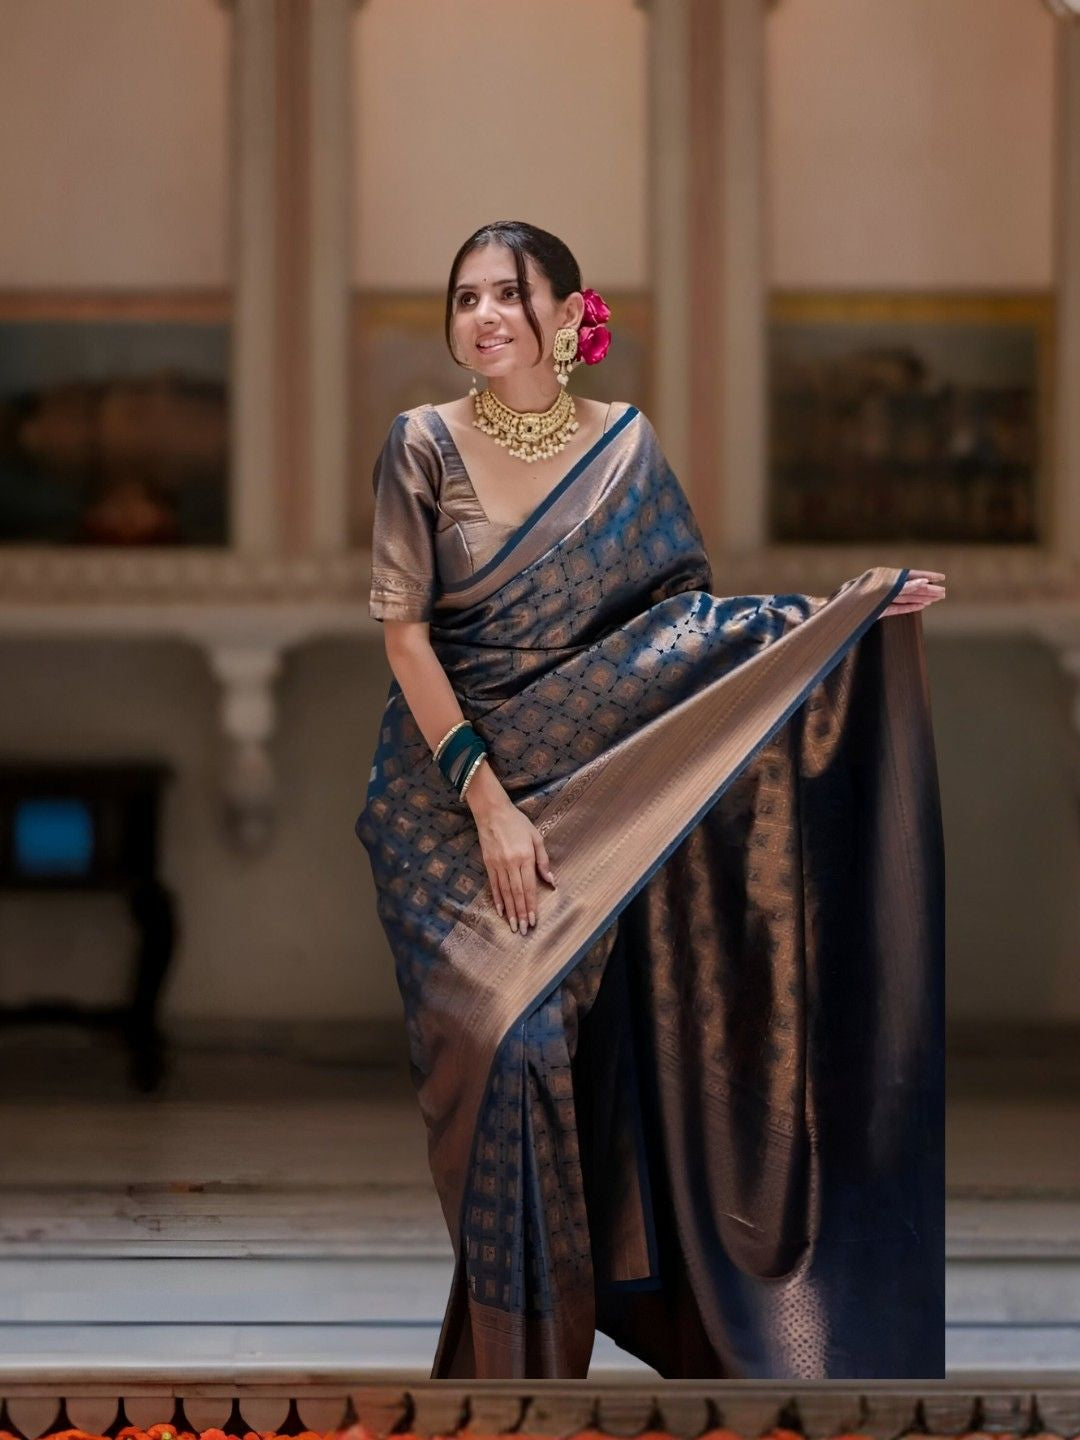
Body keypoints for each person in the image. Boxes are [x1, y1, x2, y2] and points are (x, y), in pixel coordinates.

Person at [355, 220, 947, 1381]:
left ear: (571, 317)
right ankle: (513, 1383)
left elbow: (673, 637)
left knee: (555, 1055)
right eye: (464, 296)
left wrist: (832, 622)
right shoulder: (420, 445)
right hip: (448, 802)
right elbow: (407, 642)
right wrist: (489, 803)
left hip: (597, 799)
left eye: (507, 295)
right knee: (498, 1040)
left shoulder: (623, 449)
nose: (481, 316)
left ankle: (528, 1380)